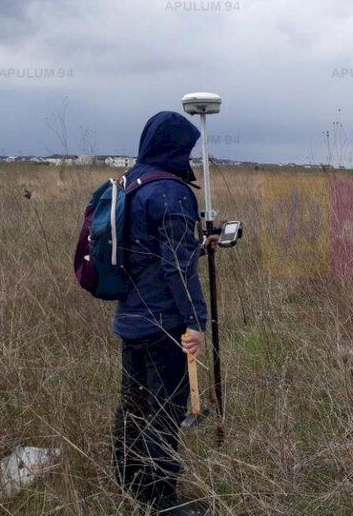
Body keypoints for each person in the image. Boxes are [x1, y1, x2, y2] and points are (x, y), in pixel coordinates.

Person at [111, 111, 212, 515]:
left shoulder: (128, 184)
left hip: (131, 318)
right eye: (186, 148)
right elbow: (175, 268)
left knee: (133, 402)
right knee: (164, 409)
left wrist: (197, 246)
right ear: (175, 147)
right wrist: (195, 323)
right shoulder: (172, 192)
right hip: (164, 324)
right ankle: (161, 501)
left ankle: (128, 480)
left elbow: (148, 253)